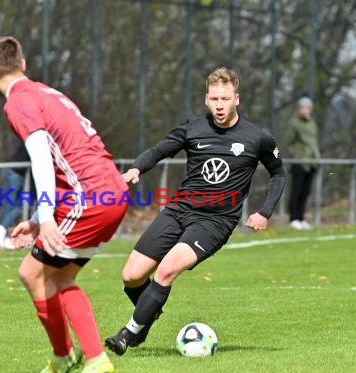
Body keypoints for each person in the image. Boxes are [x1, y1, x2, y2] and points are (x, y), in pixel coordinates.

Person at [0, 36, 129, 373]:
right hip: (111, 193)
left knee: (37, 274)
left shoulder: (19, 102)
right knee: (49, 277)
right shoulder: (45, 92)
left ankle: (89, 359)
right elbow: (66, 160)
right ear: (24, 64)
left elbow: (42, 159)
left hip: (90, 197)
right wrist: (37, 220)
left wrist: (46, 217)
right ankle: (70, 358)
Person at [104, 67, 286, 356]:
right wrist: (137, 168)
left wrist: (265, 211)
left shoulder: (257, 137)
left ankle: (128, 334)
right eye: (214, 98)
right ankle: (149, 311)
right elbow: (159, 150)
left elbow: (278, 173)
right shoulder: (193, 128)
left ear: (237, 99)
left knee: (166, 271)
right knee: (131, 276)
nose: (219, 105)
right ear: (206, 99)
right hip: (179, 210)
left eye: (225, 98)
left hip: (215, 221)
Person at [282, 97, 320, 230]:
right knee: (296, 191)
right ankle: (293, 218)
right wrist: (298, 155)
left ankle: (301, 218)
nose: (306, 110)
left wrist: (316, 157)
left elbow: (313, 142)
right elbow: (289, 142)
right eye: (304, 107)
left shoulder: (312, 123)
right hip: (299, 162)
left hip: (311, 162)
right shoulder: (294, 123)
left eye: (308, 108)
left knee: (306, 191)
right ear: (299, 109)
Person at [0, 142, 31, 249]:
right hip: (15, 173)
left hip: (14, 172)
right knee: (16, 206)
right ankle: (1, 229)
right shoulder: (36, 137)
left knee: (11, 205)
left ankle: (1, 232)